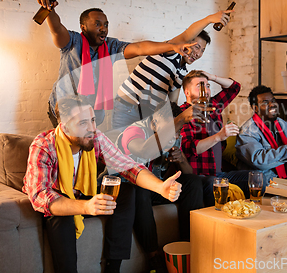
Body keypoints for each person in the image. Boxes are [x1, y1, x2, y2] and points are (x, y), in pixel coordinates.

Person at [22, 95, 182, 273]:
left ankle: (113, 268)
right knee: (62, 216)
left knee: (126, 191)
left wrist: (160, 187)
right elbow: (40, 195)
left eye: (92, 120)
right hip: (59, 203)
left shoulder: (94, 137)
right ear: (65, 126)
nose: (92, 128)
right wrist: (85, 207)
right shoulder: (44, 146)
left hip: (83, 194)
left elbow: (128, 167)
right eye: (83, 123)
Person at [36, 0, 194, 127]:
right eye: (97, 24)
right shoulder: (73, 42)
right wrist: (50, 12)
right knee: (67, 152)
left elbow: (139, 47)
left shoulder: (111, 46)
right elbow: (57, 29)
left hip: (92, 113)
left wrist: (172, 46)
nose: (103, 29)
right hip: (64, 110)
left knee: (86, 154)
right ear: (83, 27)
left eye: (106, 24)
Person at [116, 102, 204, 273]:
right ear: (155, 124)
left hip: (156, 188)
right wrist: (178, 122)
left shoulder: (173, 135)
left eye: (177, 131)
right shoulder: (134, 132)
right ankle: (153, 257)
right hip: (129, 190)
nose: (173, 136)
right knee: (140, 190)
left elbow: (188, 173)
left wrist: (181, 159)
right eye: (170, 130)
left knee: (194, 182)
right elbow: (143, 150)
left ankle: (188, 246)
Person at [112, 10, 234, 129]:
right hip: (127, 107)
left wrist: (183, 118)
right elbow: (186, 34)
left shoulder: (183, 73)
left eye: (202, 50)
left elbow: (172, 103)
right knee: (119, 147)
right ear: (187, 43)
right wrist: (209, 19)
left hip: (147, 116)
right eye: (196, 47)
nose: (198, 53)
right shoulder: (169, 51)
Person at [178, 70, 250, 206]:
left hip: (219, 174)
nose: (206, 90)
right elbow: (189, 148)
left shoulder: (213, 107)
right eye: (200, 86)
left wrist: (211, 77)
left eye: (208, 85)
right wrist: (219, 136)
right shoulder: (183, 114)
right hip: (200, 177)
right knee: (214, 184)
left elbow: (235, 87)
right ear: (187, 92)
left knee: (255, 177)